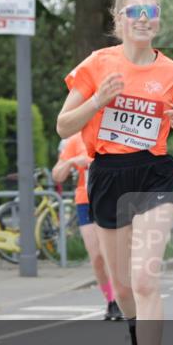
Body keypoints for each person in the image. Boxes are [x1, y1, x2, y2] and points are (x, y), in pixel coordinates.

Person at [57, 0, 173, 345]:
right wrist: (98, 100)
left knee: (144, 278)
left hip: (153, 174)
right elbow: (64, 127)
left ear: (158, 20)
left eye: (151, 10)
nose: (143, 17)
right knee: (123, 287)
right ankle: (136, 330)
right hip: (106, 174)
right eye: (134, 10)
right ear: (118, 19)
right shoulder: (97, 64)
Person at [53, 135, 122, 320]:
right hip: (87, 201)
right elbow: (57, 174)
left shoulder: (116, 133)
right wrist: (74, 161)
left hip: (115, 200)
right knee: (97, 256)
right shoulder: (76, 140)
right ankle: (111, 300)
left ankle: (121, 299)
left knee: (114, 255)